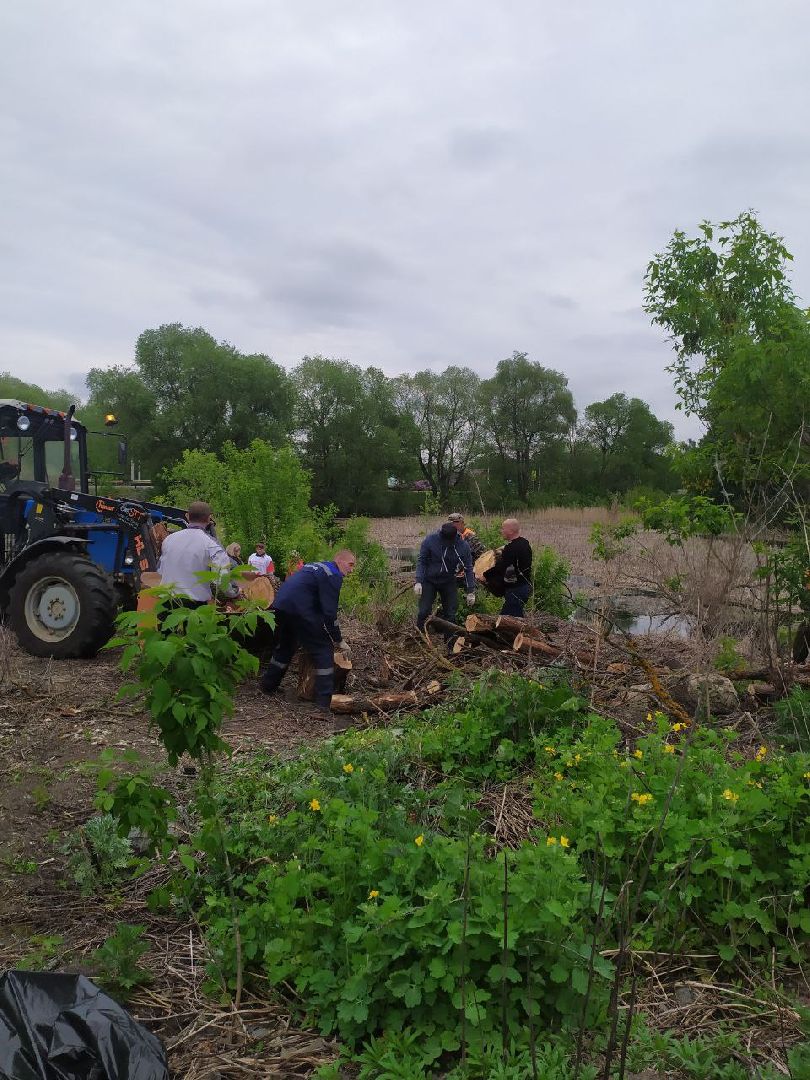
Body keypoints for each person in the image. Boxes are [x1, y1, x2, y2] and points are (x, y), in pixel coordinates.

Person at [260, 549, 356, 725]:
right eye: (350, 564)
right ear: (340, 561)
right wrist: (337, 639)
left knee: (286, 646)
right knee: (323, 650)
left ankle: (268, 685)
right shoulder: (333, 575)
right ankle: (323, 704)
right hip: (300, 610)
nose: (352, 570)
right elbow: (329, 612)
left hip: (281, 606)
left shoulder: (318, 566)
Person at [157, 501, 232, 610]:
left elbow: (160, 570)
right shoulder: (211, 544)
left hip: (166, 602)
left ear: (187, 516)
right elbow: (221, 579)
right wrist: (234, 593)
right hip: (194, 606)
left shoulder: (169, 539)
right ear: (209, 518)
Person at [414, 522, 476, 633]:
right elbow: (422, 561)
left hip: (448, 581)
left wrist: (471, 591)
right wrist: (419, 581)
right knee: (424, 611)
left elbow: (468, 568)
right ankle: (419, 636)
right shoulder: (430, 541)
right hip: (429, 580)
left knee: (450, 614)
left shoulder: (462, 546)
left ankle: (449, 643)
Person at [484, 518, 533, 618]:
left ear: (510, 531)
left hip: (516, 590)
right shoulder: (524, 543)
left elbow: (503, 568)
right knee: (515, 618)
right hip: (524, 587)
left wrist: (485, 575)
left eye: (503, 529)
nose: (501, 531)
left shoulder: (511, 548)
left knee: (506, 621)